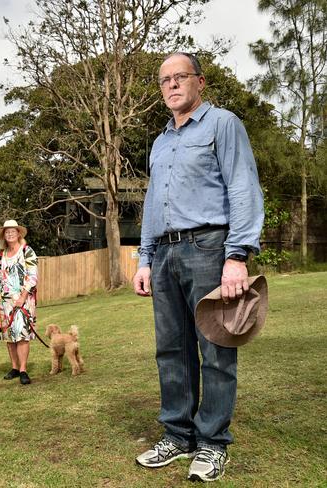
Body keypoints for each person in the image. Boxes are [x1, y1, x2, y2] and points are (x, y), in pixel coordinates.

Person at [133, 53, 264, 482]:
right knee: (171, 350)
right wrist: (145, 258)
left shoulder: (223, 125)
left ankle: (212, 444)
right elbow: (153, 203)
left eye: (180, 77)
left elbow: (242, 186)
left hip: (209, 247)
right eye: (164, 80)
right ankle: (178, 434)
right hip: (166, 253)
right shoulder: (160, 142)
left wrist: (236, 255)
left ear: (200, 82)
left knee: (216, 348)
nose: (172, 85)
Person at [0, 219, 39, 385]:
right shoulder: (1, 255)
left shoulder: (27, 251)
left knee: (22, 334)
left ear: (18, 233)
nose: (10, 234)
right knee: (9, 336)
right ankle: (14, 367)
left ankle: (23, 369)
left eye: (13, 231)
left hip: (23, 300)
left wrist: (23, 297)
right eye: (7, 232)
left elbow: (33, 276)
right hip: (6, 301)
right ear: (4, 236)